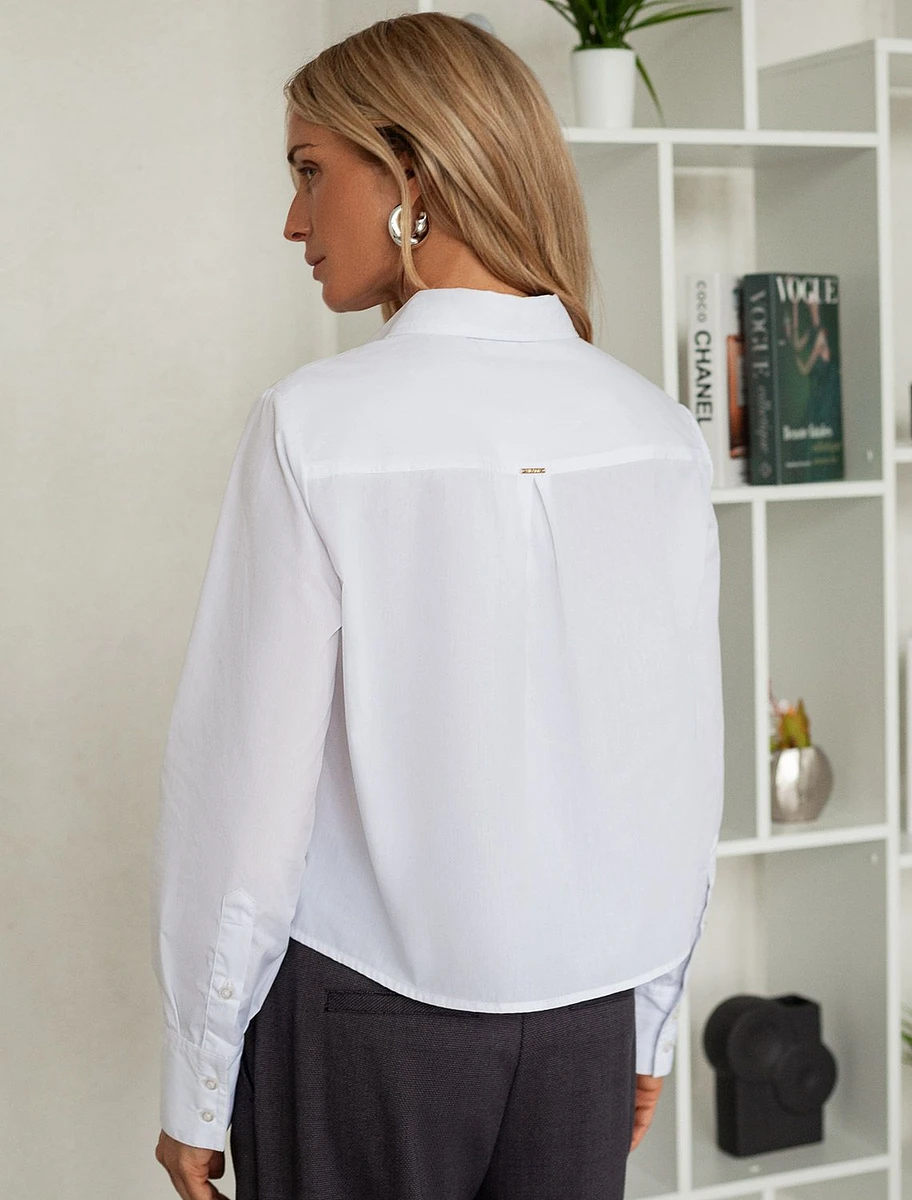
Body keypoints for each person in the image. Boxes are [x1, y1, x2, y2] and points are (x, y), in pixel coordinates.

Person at [150, 12, 723, 1200]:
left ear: (412, 173)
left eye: (311, 171)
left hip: (361, 1024)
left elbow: (245, 796)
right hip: (585, 1027)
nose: (294, 221)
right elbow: (675, 770)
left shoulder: (314, 428)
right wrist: (652, 1014)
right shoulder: (657, 431)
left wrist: (198, 1078)